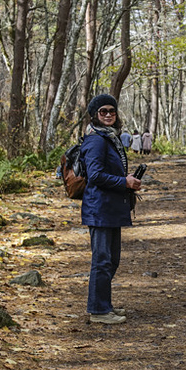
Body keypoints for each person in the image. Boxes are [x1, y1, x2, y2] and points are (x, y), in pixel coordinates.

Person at [79, 94, 142, 325]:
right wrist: (124, 182)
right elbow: (94, 176)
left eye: (112, 111)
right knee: (103, 260)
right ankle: (98, 310)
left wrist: (126, 180)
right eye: (103, 111)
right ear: (95, 115)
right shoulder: (96, 140)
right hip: (100, 209)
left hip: (110, 208)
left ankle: (104, 305)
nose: (108, 115)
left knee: (111, 260)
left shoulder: (109, 138)